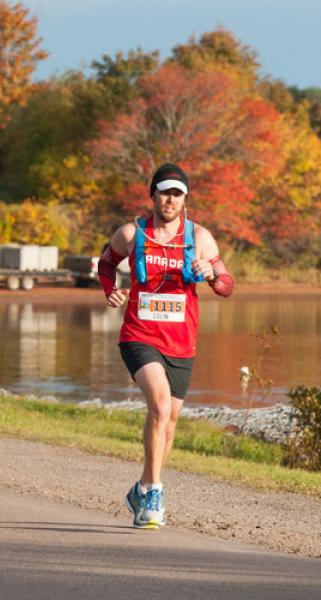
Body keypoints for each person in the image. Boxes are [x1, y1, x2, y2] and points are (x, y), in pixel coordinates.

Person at [98, 163, 234, 529]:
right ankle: (156, 492)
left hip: (182, 341)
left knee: (169, 421)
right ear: (153, 195)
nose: (170, 199)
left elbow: (227, 284)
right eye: (164, 192)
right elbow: (106, 263)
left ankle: (141, 488)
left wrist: (212, 276)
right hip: (139, 335)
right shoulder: (132, 233)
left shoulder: (200, 238)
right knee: (158, 404)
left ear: (185, 198)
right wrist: (110, 290)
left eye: (177, 193)